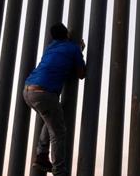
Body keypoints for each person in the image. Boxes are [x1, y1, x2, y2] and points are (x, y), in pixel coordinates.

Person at [23, 23, 86, 175]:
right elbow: (81, 74)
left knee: (50, 118)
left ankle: (42, 155)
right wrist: (79, 51)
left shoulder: (50, 47)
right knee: (59, 132)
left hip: (28, 90)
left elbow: (59, 59)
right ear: (67, 35)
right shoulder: (73, 48)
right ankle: (59, 171)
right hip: (44, 94)